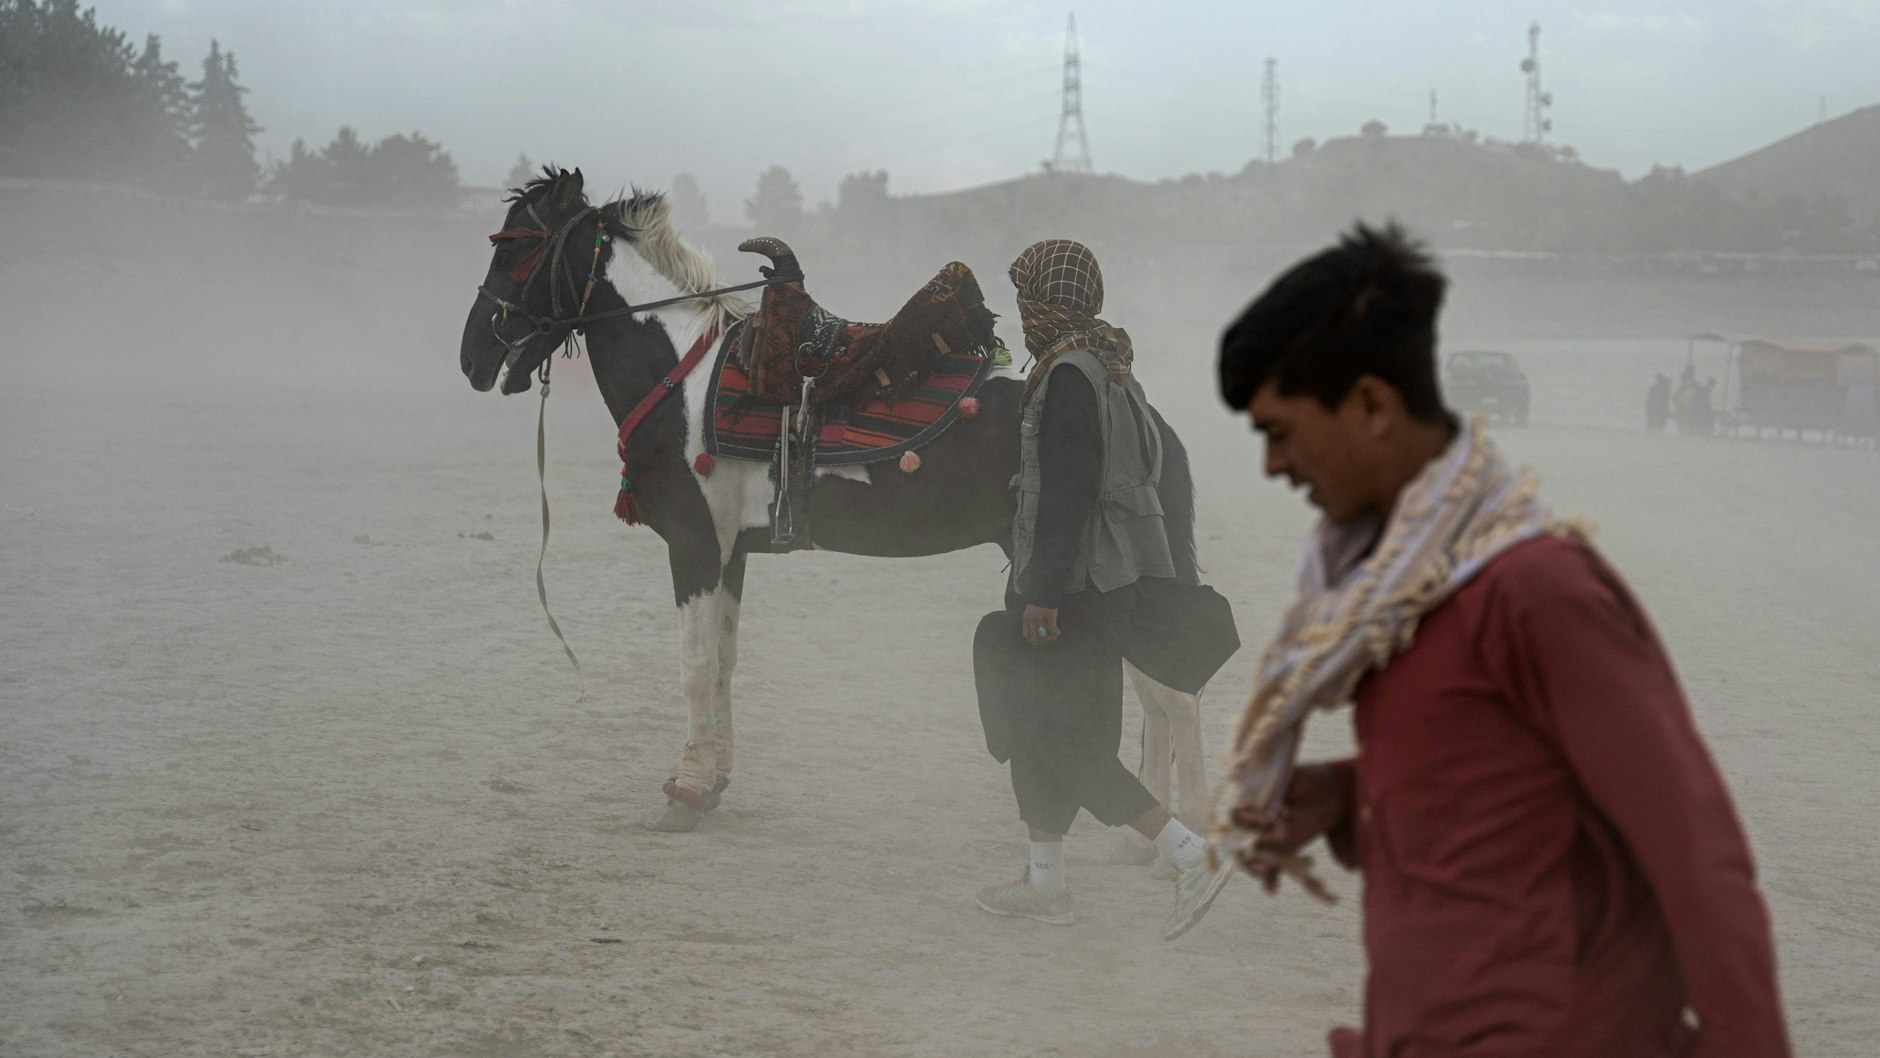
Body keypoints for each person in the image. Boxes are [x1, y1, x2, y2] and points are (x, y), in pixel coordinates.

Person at [1212, 222, 1790, 1057]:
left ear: (1373, 405)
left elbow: (1698, 859)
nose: (1272, 465)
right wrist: (1348, 795)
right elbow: (1509, 808)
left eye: (1278, 430)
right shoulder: (1396, 593)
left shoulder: (1538, 593)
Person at [971, 238, 1233, 939]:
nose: (1023, 310)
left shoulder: (1067, 377)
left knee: (1066, 742)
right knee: (1038, 727)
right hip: (1107, 582)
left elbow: (1068, 492)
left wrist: (1044, 593)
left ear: (1048, 302)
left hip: (1075, 588)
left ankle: (1190, 855)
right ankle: (1045, 881)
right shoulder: (1113, 366)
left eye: (1029, 295)